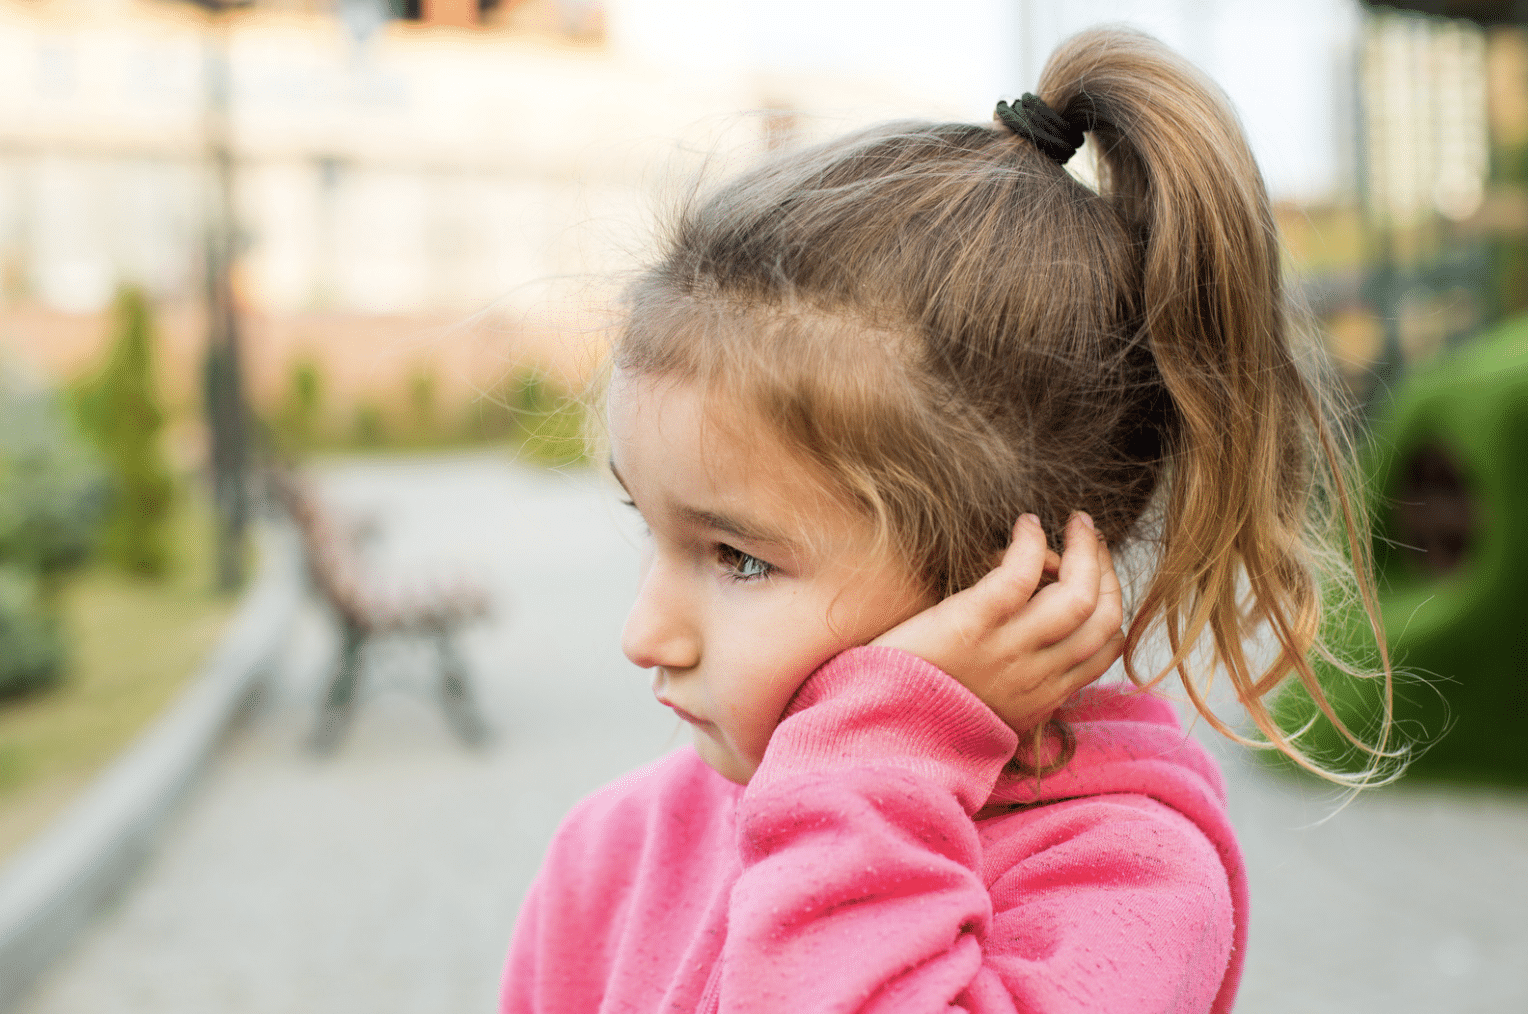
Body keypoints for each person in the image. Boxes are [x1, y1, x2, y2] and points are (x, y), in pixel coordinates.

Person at [501, 27, 1396, 1014]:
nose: (643, 635)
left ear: (1014, 579)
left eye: (740, 560)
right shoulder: (615, 849)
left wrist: (875, 755)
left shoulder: (1121, 883)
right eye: (647, 521)